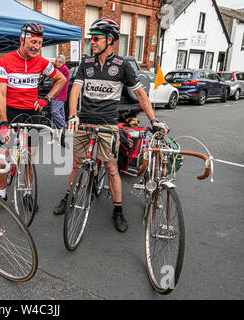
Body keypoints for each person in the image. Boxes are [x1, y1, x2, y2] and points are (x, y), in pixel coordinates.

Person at [53, 18, 169, 233]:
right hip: (84, 122)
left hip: (108, 124)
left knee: (111, 168)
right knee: (77, 164)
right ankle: (68, 197)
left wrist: (153, 120)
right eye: (91, 39)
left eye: (96, 39)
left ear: (110, 40)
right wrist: (72, 115)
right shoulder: (86, 64)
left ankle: (118, 210)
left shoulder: (122, 66)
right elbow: (75, 91)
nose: (92, 42)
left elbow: (140, 94)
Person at [0, 22, 67, 212]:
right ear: (21, 39)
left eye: (40, 43)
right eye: (33, 42)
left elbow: (62, 79)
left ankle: (27, 193)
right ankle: (1, 193)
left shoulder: (41, 62)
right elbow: (1, 94)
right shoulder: (6, 60)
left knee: (28, 159)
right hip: (11, 113)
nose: (37, 47)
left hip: (32, 114)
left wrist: (47, 99)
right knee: (2, 156)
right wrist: (5, 123)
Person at [51, 54, 70, 129]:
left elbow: (55, 78)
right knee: (61, 112)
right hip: (61, 94)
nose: (55, 63)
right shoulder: (63, 68)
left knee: (54, 111)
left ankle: (63, 126)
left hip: (58, 94)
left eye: (56, 61)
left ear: (59, 61)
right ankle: (61, 128)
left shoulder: (63, 69)